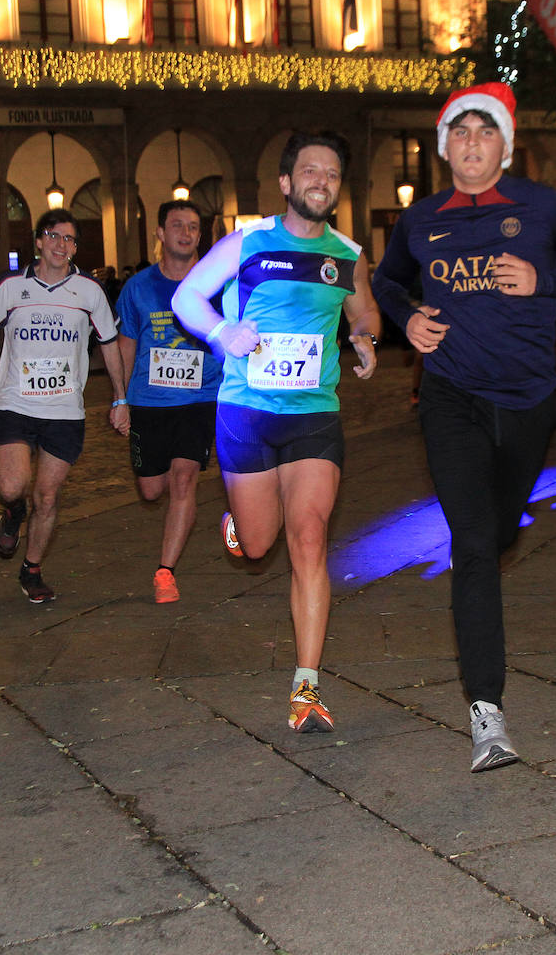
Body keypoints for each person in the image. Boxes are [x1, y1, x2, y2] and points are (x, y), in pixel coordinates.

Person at [371, 82, 556, 772]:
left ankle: (500, 524)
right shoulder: (421, 220)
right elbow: (386, 281)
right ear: (445, 145)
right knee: (475, 545)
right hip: (450, 396)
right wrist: (408, 320)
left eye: (486, 134)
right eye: (461, 133)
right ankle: (488, 714)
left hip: (529, 402)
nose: (472, 144)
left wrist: (544, 281)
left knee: (499, 526)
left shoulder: (542, 208)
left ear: (504, 146)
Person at [170, 130, 380, 734]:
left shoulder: (347, 253)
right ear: (287, 183)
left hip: (315, 414)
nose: (321, 180)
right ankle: (238, 522)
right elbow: (189, 298)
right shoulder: (248, 242)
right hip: (247, 414)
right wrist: (220, 334)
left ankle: (306, 687)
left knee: (308, 538)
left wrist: (365, 337)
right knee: (259, 545)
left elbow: (362, 309)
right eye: (310, 171)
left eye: (332, 174)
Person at [0, 208, 130, 603]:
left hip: (65, 410)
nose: (61, 245)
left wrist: (119, 398)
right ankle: (14, 513)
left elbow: (109, 345)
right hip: (15, 403)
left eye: (69, 240)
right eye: (54, 236)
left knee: (48, 496)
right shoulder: (10, 286)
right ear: (38, 240)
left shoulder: (89, 291)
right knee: (12, 486)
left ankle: (32, 568)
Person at [115, 199, 222, 604]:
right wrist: (120, 398)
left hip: (200, 398)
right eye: (177, 225)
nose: (186, 233)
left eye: (193, 227)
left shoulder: (216, 285)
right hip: (148, 401)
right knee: (150, 489)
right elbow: (126, 345)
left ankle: (166, 572)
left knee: (183, 478)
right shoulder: (138, 287)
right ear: (160, 234)